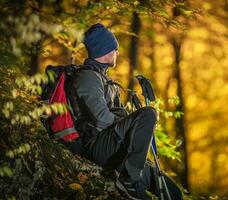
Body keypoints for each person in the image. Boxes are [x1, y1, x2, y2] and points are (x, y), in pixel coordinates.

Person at [61, 23, 182, 200]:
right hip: (98, 145)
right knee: (148, 113)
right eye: (115, 49)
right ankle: (130, 181)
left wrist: (133, 120)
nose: (117, 53)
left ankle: (132, 178)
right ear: (106, 51)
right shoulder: (87, 77)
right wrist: (136, 121)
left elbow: (115, 116)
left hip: (116, 144)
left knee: (173, 193)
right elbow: (102, 119)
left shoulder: (106, 79)